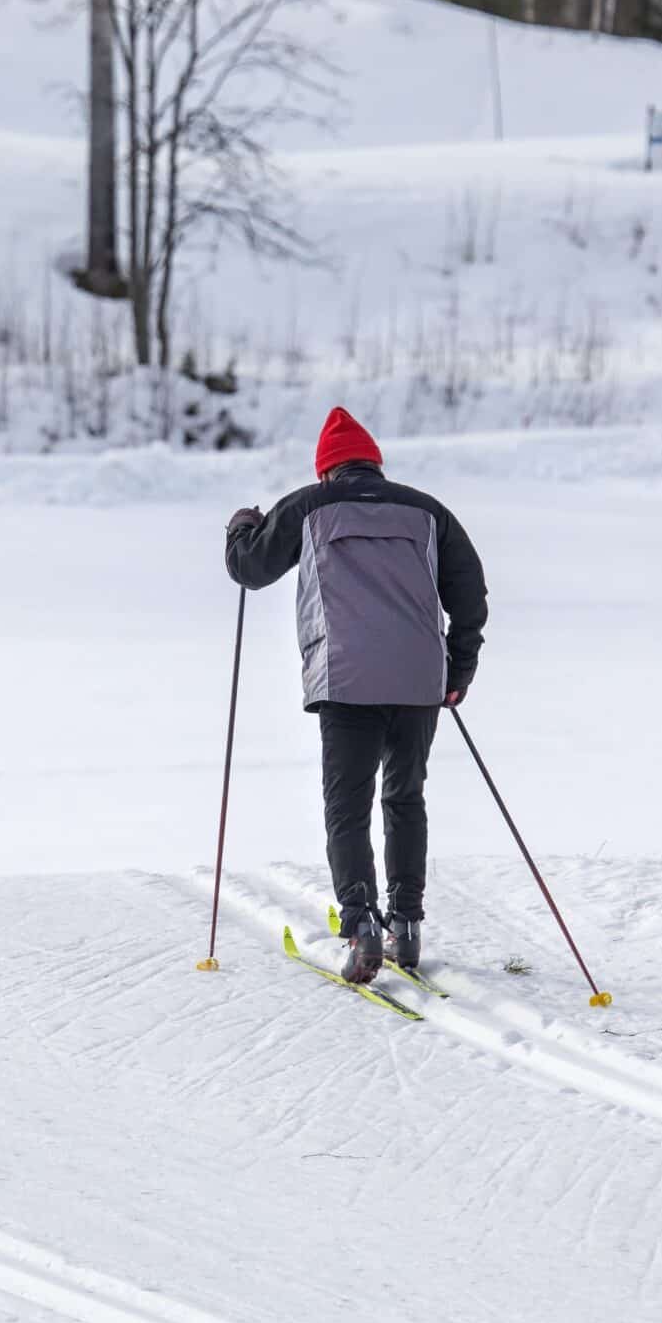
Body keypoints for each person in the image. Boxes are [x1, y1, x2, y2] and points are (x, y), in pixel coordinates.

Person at [223, 407, 487, 985]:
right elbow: (470, 595)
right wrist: (456, 669)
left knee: (347, 808)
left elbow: (249, 568)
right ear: (375, 465)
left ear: (325, 471)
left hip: (345, 681)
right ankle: (407, 926)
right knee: (404, 797)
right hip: (418, 681)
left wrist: (240, 527)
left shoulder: (309, 508)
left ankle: (363, 926)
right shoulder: (427, 511)